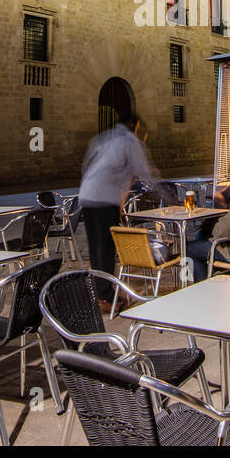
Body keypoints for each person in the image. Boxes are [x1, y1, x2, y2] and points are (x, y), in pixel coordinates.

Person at [77, 113, 159, 312]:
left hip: (87, 194)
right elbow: (144, 171)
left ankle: (99, 291)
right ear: (134, 125)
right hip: (105, 198)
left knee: (96, 247)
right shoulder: (130, 141)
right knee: (106, 249)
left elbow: (86, 164)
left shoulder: (105, 137)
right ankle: (105, 297)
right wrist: (162, 187)